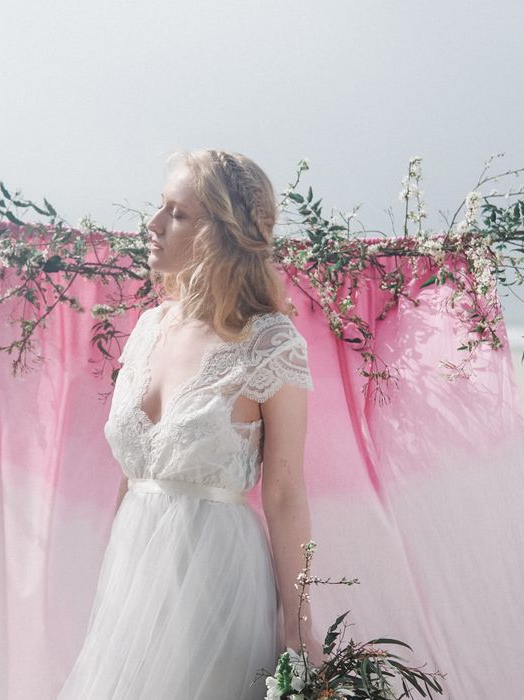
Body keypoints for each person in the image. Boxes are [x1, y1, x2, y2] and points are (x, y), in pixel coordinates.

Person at [56, 149, 324, 699]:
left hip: (218, 582)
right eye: (160, 208)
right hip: (135, 577)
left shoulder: (272, 343)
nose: (152, 226)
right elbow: (133, 475)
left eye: (175, 213)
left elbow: (286, 493)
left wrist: (299, 626)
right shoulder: (149, 327)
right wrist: (116, 585)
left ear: (221, 233)